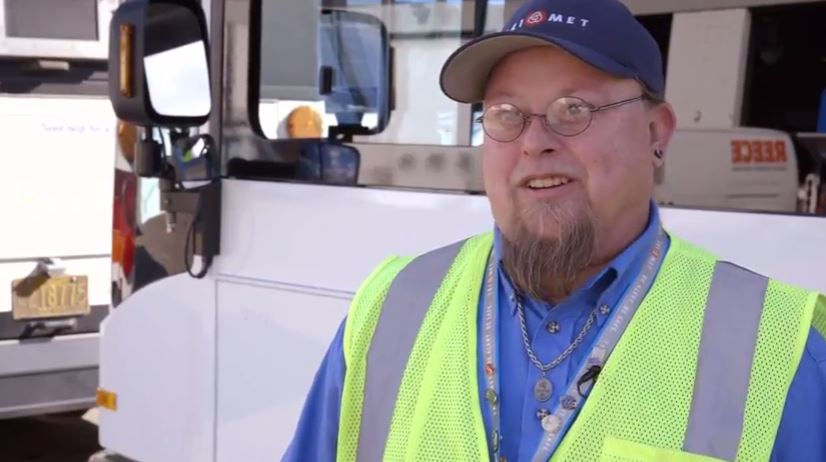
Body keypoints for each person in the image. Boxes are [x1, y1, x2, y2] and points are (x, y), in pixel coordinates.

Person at [282, 0, 826, 460]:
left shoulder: (779, 348)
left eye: (574, 109)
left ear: (656, 133)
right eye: (505, 112)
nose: (532, 141)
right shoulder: (388, 308)